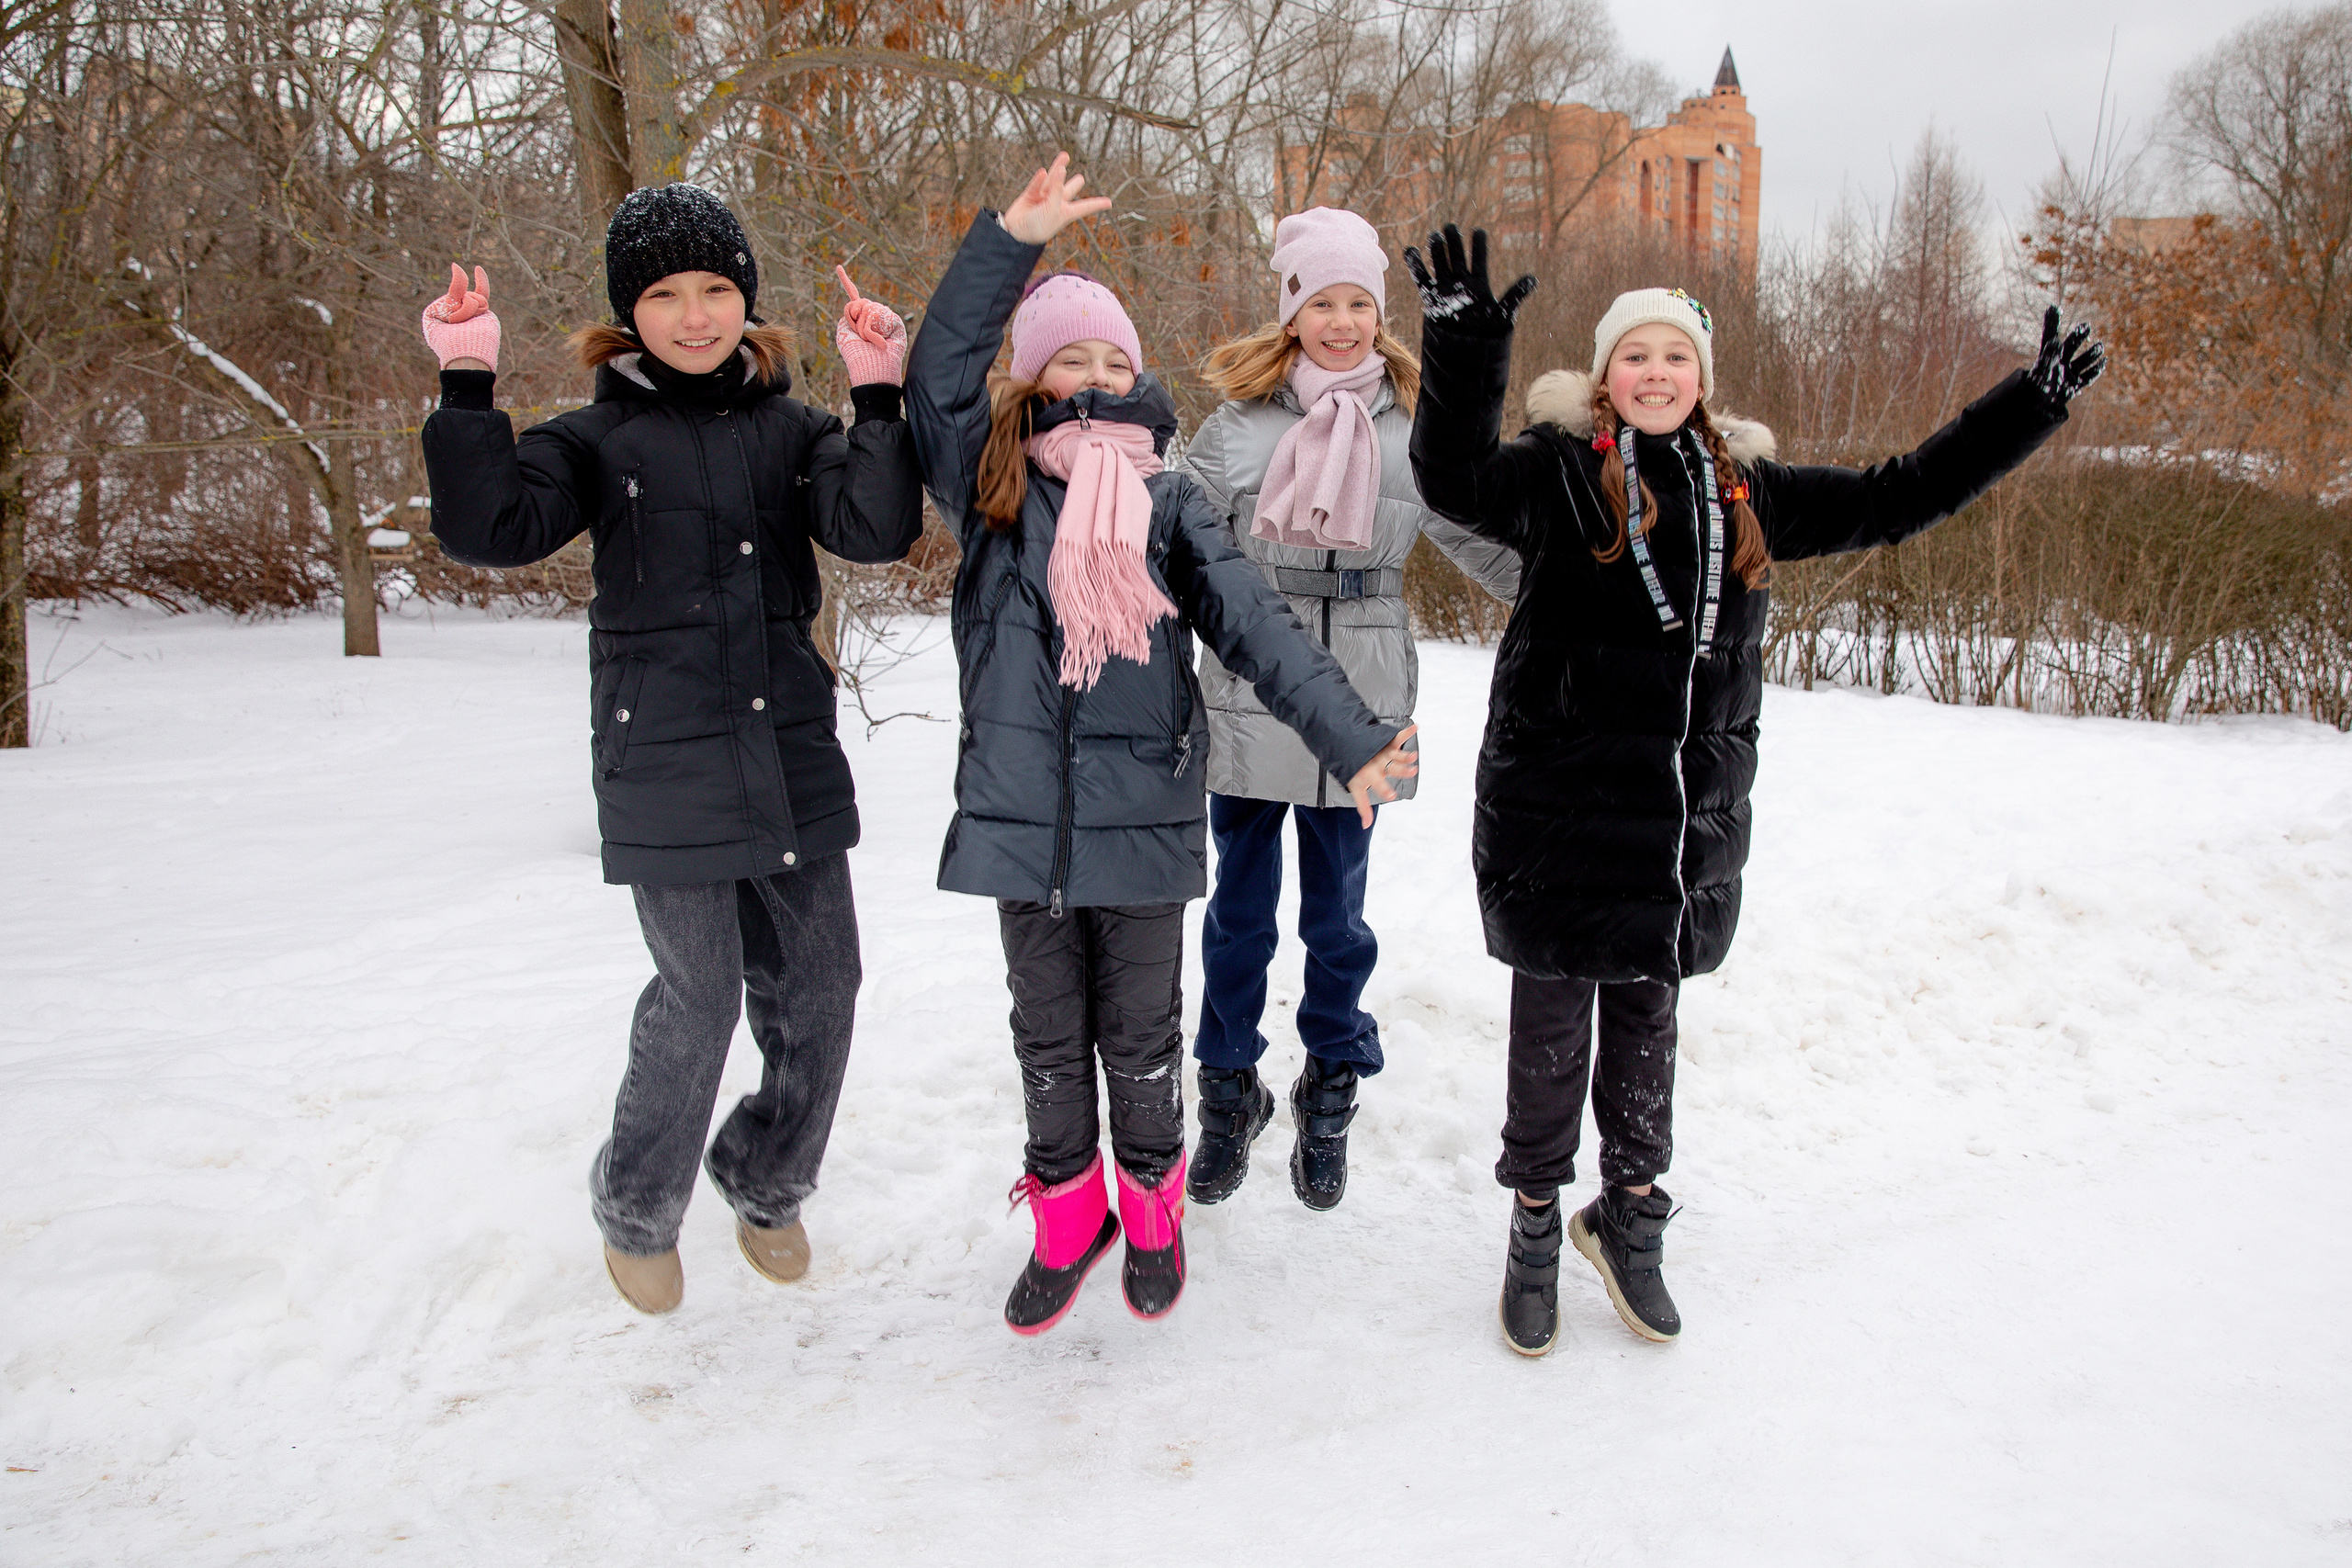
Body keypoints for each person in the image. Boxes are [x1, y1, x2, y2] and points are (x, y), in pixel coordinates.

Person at [1403, 223, 2105, 1354]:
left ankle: (1627, 1215)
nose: (1655, 375)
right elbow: (1451, 478)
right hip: (1557, 819)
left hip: (1681, 828)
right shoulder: (1558, 479)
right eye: (1634, 357)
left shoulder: (1747, 493)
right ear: (1603, 377)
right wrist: (1466, 350)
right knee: (1549, 1032)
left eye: (1674, 358)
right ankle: (1535, 1219)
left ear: (1702, 379)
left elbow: (1900, 495)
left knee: (1646, 1022)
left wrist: (2028, 403)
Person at [905, 156, 1420, 1336]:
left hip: (1142, 819)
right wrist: (1006, 244)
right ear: (1031, 379)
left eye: (1113, 359)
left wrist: (1349, 742)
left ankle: (1150, 1213)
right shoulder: (988, 493)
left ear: (1137, 376)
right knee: (1046, 1044)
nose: (1094, 377)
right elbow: (934, 385)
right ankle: (1065, 1218)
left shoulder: (1173, 502)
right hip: (1018, 820)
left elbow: (1258, 628)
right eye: (1069, 359)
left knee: (1140, 1042)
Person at [417, 183, 924, 1314]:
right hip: (665, 763)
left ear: (746, 299)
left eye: (716, 290)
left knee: (825, 987)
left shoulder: (798, 431)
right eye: (664, 294)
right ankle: (637, 1206)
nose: (695, 316)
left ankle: (766, 1174)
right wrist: (465, 381)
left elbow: (875, 531)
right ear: (626, 314)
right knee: (700, 998)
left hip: (787, 753)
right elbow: (488, 528)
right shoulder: (594, 439)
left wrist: (878, 397)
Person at [1177, 207, 1518, 1213]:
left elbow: (1482, 540)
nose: (1341, 321)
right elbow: (1173, 542)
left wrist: (1571, 585)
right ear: (1291, 312)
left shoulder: (1415, 432)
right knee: (1237, 918)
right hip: (1247, 688)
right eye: (1321, 302)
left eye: (1357, 304)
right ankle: (1227, 1089)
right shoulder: (1236, 428)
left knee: (1336, 921)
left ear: (1380, 316)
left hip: (1364, 704)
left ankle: (1329, 1089)